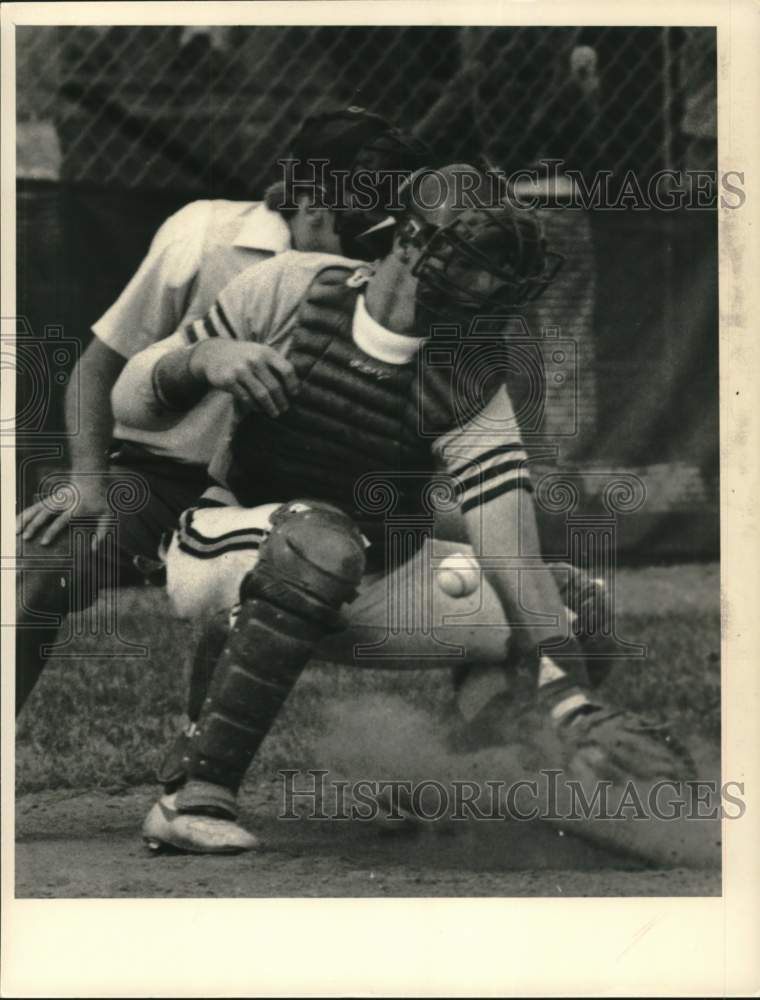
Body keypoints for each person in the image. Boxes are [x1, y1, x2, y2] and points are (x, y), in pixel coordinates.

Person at [112, 164, 690, 854]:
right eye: (479, 266)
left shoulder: (467, 370)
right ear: (413, 242)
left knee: (576, 607)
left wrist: (567, 692)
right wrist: (204, 357)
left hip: (381, 576)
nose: (494, 288)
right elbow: (131, 398)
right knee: (320, 545)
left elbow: (509, 546)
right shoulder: (294, 285)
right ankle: (192, 796)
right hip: (229, 546)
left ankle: (468, 781)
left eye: (505, 273)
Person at [15, 107, 430, 714]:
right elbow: (98, 367)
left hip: (279, 499)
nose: (379, 227)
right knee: (38, 561)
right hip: (152, 478)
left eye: (388, 208)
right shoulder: (204, 234)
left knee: (312, 585)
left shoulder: (395, 270)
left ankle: (196, 777)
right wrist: (86, 481)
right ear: (308, 194)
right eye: (360, 205)